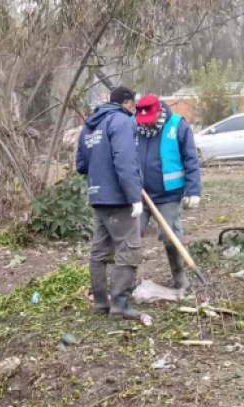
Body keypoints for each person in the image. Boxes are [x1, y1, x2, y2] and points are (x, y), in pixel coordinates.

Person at [76, 86, 149, 322]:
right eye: (133, 106)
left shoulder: (90, 125)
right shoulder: (121, 122)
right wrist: (134, 197)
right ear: (127, 103)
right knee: (129, 249)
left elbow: (81, 164)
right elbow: (125, 160)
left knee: (99, 252)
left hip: (98, 196)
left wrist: (99, 172)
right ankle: (120, 304)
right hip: (118, 198)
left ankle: (100, 302)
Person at [135, 95, 202, 290]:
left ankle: (179, 276)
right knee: (131, 237)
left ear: (159, 113)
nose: (146, 126)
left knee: (170, 236)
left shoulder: (177, 125)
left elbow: (190, 159)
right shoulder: (131, 125)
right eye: (142, 122)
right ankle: (126, 282)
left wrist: (193, 190)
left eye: (150, 121)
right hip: (137, 195)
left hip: (168, 195)